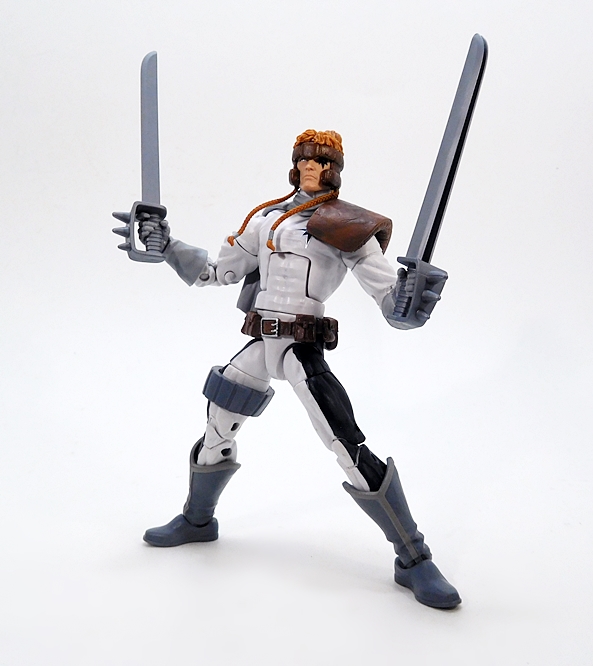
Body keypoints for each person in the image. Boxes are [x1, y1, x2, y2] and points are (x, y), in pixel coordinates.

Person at [130, 129, 460, 609]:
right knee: (217, 426)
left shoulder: (348, 226)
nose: (310, 167)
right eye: (303, 159)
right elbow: (217, 272)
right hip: (261, 341)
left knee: (346, 445)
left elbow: (388, 296)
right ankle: (197, 520)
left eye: (321, 161)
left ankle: (413, 557)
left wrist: (408, 299)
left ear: (334, 170)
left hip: (301, 349)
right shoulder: (265, 218)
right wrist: (167, 246)